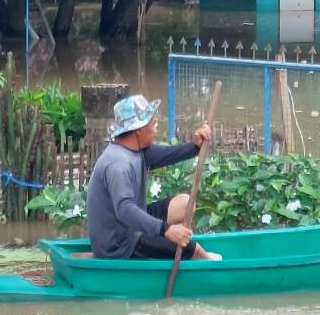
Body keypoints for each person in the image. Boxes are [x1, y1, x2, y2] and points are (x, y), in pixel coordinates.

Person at [86, 94, 222, 261]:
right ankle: (205, 265)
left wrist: (196, 145)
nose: (156, 124)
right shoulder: (118, 164)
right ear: (139, 129)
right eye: (152, 122)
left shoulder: (137, 150)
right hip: (119, 244)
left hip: (129, 226)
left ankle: (165, 246)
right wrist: (166, 230)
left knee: (185, 203)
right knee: (195, 250)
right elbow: (125, 209)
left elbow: (171, 154)